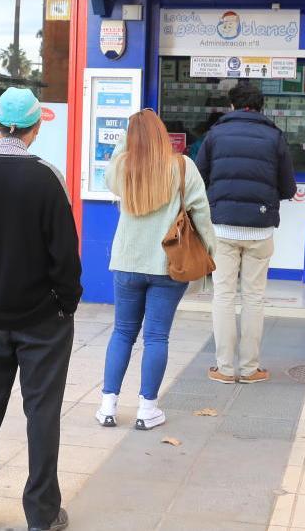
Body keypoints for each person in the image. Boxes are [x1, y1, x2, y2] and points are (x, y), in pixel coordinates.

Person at [0, 87, 82, 531]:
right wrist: (66, 302)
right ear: (34, 127)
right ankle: (42, 513)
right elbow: (65, 252)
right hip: (43, 319)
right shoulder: (47, 177)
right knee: (41, 414)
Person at [97, 109, 215, 430]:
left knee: (122, 332)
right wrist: (209, 252)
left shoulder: (122, 168)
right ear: (163, 134)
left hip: (126, 263)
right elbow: (201, 213)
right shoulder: (182, 166)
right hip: (167, 264)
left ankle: (108, 405)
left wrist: (127, 136)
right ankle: (147, 409)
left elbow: (111, 171)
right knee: (156, 337)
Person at [196, 83, 296, 384]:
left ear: (232, 106)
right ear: (261, 106)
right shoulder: (274, 136)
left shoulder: (215, 135)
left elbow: (199, 177)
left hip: (223, 227)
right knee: (254, 297)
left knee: (224, 296)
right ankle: (251, 369)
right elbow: (289, 187)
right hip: (260, 229)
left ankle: (225, 369)